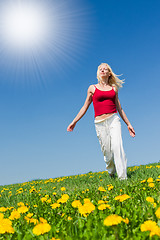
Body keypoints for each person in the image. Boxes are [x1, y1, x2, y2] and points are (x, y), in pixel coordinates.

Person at [67, 63, 135, 180]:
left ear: (109, 73)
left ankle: (123, 178)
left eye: (106, 69)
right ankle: (111, 172)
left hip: (114, 119)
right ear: (98, 73)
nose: (103, 70)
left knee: (117, 147)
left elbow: (120, 108)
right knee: (107, 153)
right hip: (99, 123)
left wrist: (128, 124)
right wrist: (74, 121)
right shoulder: (92, 88)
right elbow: (85, 107)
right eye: (100, 69)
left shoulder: (114, 89)